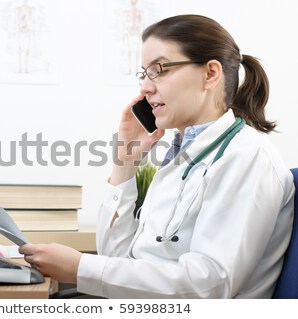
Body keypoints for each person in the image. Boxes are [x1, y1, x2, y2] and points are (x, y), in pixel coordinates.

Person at [19, 14, 295, 298]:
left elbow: (210, 284)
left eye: (160, 70)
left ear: (211, 74)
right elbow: (117, 258)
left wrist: (81, 268)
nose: (145, 88)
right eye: (144, 74)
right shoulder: (180, 158)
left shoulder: (247, 157)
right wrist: (124, 163)